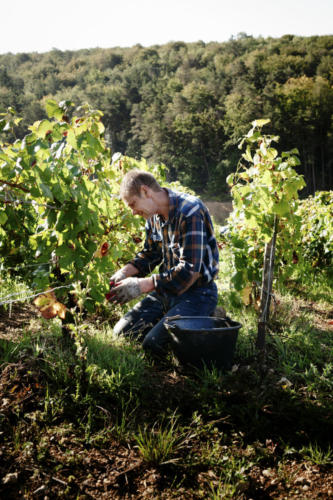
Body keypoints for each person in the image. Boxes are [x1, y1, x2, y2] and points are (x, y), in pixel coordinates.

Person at [107, 169, 219, 360]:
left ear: (145, 191)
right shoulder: (153, 218)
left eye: (133, 204)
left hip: (198, 293)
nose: (133, 212)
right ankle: (172, 318)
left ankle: (210, 317)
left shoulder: (190, 211)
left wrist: (141, 285)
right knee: (121, 334)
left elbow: (189, 272)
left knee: (153, 345)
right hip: (166, 291)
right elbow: (150, 255)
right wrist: (125, 272)